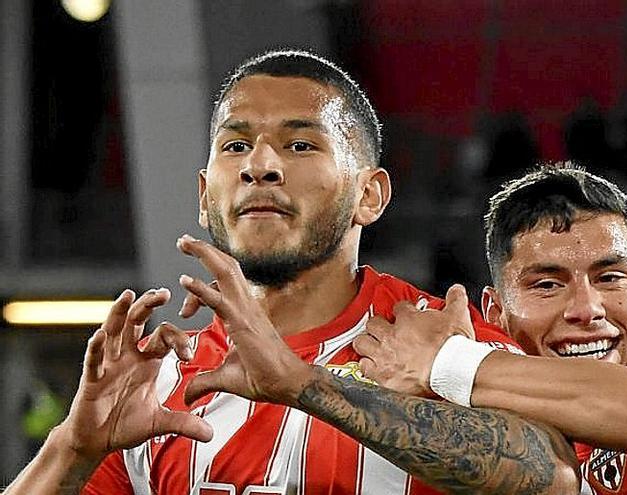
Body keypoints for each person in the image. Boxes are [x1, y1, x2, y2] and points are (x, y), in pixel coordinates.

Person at [3, 50, 581, 495]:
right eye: (235, 147)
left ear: (370, 195)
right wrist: (74, 446)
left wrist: (304, 385)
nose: (261, 165)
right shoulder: (158, 384)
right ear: (206, 197)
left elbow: (552, 474)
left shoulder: (440, 340)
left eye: (301, 144)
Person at [353, 164, 627, 494]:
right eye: (547, 285)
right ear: (495, 313)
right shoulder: (494, 439)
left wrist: (446, 362)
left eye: (610, 278)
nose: (586, 309)